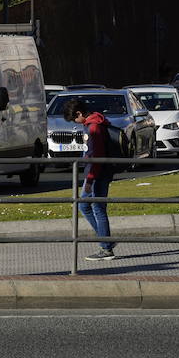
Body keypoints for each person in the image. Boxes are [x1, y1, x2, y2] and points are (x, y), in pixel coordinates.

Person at [63, 98, 116, 261]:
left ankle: (106, 247)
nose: (75, 122)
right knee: (85, 206)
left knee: (97, 209)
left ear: (79, 113)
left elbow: (96, 157)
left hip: (96, 175)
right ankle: (105, 239)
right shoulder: (94, 124)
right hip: (96, 173)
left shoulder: (94, 127)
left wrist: (90, 181)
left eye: (74, 119)